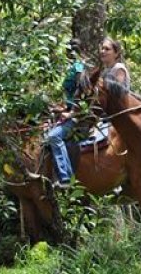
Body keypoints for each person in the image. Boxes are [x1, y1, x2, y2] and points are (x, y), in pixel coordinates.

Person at [42, 38, 88, 189]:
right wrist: (61, 109)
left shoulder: (79, 67)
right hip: (68, 111)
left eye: (70, 50)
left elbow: (82, 92)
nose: (69, 53)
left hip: (78, 116)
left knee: (53, 136)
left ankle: (65, 177)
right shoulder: (72, 67)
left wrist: (72, 113)